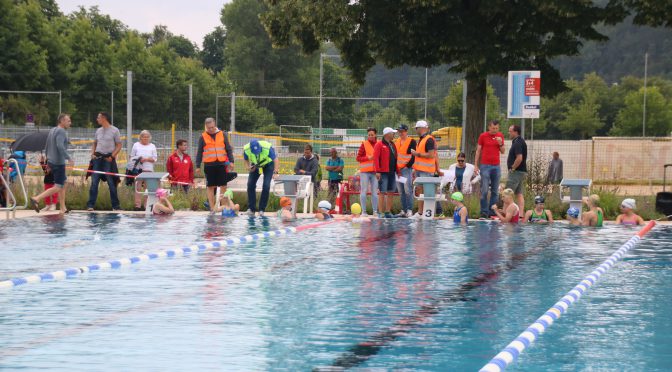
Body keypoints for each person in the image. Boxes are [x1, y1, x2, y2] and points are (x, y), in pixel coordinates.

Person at [29, 113, 74, 214]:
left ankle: (63, 208)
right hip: (59, 163)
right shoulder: (61, 131)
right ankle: (37, 198)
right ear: (62, 121)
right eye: (68, 121)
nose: (70, 123)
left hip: (52, 161)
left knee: (63, 184)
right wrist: (69, 158)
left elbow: (47, 145)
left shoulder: (52, 130)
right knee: (58, 186)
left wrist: (48, 161)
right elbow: (60, 146)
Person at [195, 118, 235, 214]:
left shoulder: (222, 134)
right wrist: (197, 166)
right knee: (210, 186)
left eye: (213, 127)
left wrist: (231, 161)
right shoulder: (203, 136)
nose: (211, 129)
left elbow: (228, 149)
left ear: (215, 125)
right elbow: (199, 152)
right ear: (206, 127)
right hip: (209, 165)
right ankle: (212, 208)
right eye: (209, 128)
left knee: (223, 185)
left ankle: (224, 206)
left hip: (221, 164)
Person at [86, 112, 122, 211]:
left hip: (108, 159)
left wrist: (112, 156)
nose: (97, 119)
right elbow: (94, 143)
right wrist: (92, 154)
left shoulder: (115, 130)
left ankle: (115, 206)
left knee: (111, 182)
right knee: (94, 182)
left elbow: (119, 145)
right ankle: (90, 205)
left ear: (104, 118)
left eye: (98, 117)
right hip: (97, 159)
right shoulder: (98, 130)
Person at [475, 120, 505, 219]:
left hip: (496, 166)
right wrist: (476, 165)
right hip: (485, 166)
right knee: (484, 190)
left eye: (496, 128)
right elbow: (478, 151)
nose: (495, 130)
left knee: (495, 191)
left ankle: (492, 212)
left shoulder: (500, 136)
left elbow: (503, 151)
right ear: (489, 127)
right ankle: (484, 211)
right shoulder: (483, 136)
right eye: (493, 128)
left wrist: (500, 143)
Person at [244, 139, 279, 216]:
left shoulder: (267, 147)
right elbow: (246, 160)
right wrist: (248, 167)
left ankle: (261, 209)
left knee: (266, 186)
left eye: (258, 151)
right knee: (250, 184)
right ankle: (251, 209)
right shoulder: (246, 149)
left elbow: (276, 160)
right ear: (250, 149)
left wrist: (275, 172)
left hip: (268, 164)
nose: (257, 153)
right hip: (256, 165)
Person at [411, 120, 437, 218]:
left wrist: (417, 154)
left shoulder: (429, 139)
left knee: (427, 193)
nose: (416, 130)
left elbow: (431, 155)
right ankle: (420, 212)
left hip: (426, 171)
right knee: (420, 191)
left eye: (416, 128)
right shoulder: (422, 139)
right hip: (420, 170)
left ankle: (427, 213)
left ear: (421, 128)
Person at [130, 130, 158, 211]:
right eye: (143, 137)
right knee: (137, 188)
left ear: (149, 138)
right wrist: (138, 159)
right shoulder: (136, 145)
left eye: (147, 137)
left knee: (147, 188)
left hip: (149, 169)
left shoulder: (152, 146)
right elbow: (131, 157)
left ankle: (146, 205)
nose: (145, 138)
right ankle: (137, 205)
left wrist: (147, 159)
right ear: (140, 138)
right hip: (138, 170)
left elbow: (155, 158)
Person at [374, 127, 398, 218]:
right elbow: (376, 158)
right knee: (382, 192)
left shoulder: (392, 144)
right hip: (383, 172)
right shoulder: (379, 144)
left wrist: (397, 171)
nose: (394, 135)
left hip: (392, 172)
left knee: (391, 192)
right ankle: (380, 212)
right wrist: (377, 171)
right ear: (387, 134)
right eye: (392, 133)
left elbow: (395, 158)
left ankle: (388, 212)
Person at [394, 124, 416, 217]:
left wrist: (408, 166)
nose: (400, 133)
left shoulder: (412, 141)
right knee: (401, 191)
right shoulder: (397, 141)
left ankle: (409, 210)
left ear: (406, 131)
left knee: (408, 190)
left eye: (402, 131)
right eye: (399, 131)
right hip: (398, 170)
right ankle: (404, 210)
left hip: (406, 170)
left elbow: (413, 156)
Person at [356, 128, 379, 216]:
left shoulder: (379, 144)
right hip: (365, 172)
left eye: (372, 135)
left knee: (375, 192)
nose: (370, 136)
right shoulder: (364, 144)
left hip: (375, 172)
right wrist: (367, 158)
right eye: (369, 135)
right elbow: (358, 158)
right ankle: (364, 211)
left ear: (375, 135)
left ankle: (375, 211)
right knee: (364, 191)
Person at [505, 124, 527, 215]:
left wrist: (512, 168)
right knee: (519, 193)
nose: (509, 133)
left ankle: (506, 214)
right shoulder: (520, 141)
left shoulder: (518, 143)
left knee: (507, 193)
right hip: (521, 172)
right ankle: (521, 214)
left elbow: (519, 158)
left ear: (515, 132)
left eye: (510, 131)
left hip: (516, 172)